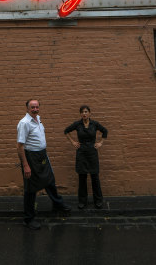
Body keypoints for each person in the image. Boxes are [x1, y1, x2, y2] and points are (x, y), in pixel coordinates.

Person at [17, 99, 71, 230]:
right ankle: (28, 219)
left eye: (37, 107)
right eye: (32, 107)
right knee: (30, 188)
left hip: (42, 155)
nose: (35, 109)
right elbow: (20, 146)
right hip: (31, 157)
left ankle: (57, 204)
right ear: (27, 109)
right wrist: (25, 165)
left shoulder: (38, 119)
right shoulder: (24, 123)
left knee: (49, 179)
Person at [64, 105, 108, 209]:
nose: (84, 113)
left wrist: (101, 142)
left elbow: (105, 131)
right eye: (82, 112)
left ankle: (98, 200)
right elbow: (66, 131)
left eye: (86, 111)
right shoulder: (78, 124)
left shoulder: (95, 124)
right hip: (81, 153)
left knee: (95, 177)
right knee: (82, 177)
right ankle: (82, 201)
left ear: (89, 113)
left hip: (92, 153)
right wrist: (73, 142)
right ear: (80, 114)